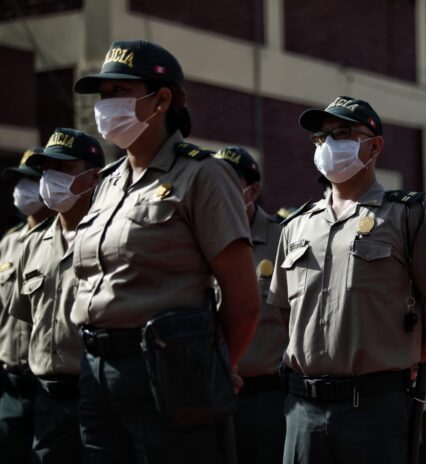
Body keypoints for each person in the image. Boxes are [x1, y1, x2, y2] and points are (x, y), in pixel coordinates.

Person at [71, 39, 260, 463]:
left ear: (161, 100)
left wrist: (213, 366)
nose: (106, 104)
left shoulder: (203, 175)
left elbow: (244, 300)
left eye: (120, 91)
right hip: (96, 368)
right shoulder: (106, 183)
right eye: (104, 94)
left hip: (169, 370)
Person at [268, 96, 426, 464]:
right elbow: (283, 312)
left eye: (342, 134)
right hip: (303, 406)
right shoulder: (297, 225)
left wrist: (408, 356)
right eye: (321, 137)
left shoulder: (407, 215)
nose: (328, 144)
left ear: (374, 146)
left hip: (374, 407)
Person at [8, 128, 104, 462]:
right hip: (47, 397)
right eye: (47, 169)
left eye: (64, 168)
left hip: (98, 394)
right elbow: (26, 316)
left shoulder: (109, 237)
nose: (51, 178)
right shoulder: (32, 243)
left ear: (94, 176)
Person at [213, 146, 286, 464]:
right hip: (209, 395)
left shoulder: (283, 239)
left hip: (266, 398)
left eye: (228, 182)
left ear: (252, 191)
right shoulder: (197, 236)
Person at [0, 150, 54, 463]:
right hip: (10, 383)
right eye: (19, 180)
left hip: (50, 384)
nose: (22, 189)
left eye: (32, 180)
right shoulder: (8, 243)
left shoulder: (67, 236)